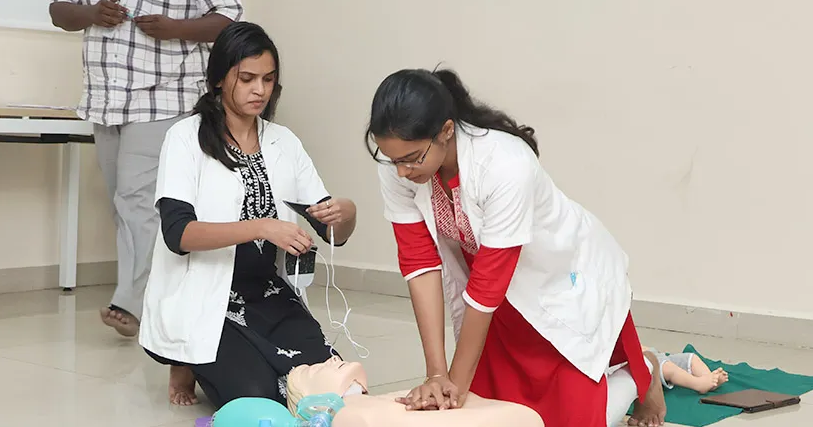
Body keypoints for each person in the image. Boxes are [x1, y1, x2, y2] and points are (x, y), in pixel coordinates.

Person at [365, 68, 668, 427]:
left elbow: (488, 286)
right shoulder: (399, 166)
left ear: (446, 130)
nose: (401, 171)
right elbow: (420, 264)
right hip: (493, 297)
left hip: (554, 277)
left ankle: (643, 369)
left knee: (572, 420)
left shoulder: (505, 163)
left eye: (412, 158)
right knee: (497, 411)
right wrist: (436, 375)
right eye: (393, 159)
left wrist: (454, 390)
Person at [48, 0, 243, 337]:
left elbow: (230, 19)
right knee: (124, 203)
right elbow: (59, 10)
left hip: (164, 99)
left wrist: (177, 28)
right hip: (105, 101)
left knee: (137, 201)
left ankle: (131, 303)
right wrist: (92, 13)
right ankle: (157, 296)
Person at [139, 22, 358, 409]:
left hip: (268, 293)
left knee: (333, 388)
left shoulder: (283, 141)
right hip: (208, 298)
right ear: (219, 79)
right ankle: (185, 362)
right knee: (261, 400)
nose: (260, 90)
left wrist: (346, 213)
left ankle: (214, 361)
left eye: (268, 79)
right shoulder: (186, 138)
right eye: (247, 79)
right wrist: (261, 227)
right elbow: (178, 234)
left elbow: (332, 232)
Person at [285, 356, 545, 427]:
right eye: (314, 370)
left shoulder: (381, 402)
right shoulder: (350, 415)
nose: (331, 359)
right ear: (314, 405)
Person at [643, 346, 729, 394]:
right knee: (668, 368)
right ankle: (698, 383)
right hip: (643, 362)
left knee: (691, 358)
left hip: (654, 354)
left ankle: (708, 378)